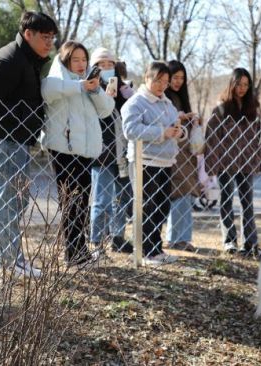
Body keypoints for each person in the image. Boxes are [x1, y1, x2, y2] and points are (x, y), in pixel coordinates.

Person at [0, 12, 58, 278]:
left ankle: (12, 259)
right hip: (5, 142)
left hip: (17, 142)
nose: (50, 44)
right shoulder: (9, 59)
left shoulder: (27, 60)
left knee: (17, 201)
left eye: (53, 38)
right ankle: (9, 262)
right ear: (27, 34)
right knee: (7, 201)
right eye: (45, 37)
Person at [41, 41, 114, 266]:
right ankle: (73, 253)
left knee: (82, 201)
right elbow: (48, 91)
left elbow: (107, 109)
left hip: (85, 151)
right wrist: (80, 86)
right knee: (70, 202)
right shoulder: (55, 80)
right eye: (76, 59)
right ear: (65, 60)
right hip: (63, 149)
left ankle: (79, 250)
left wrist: (94, 90)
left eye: (84, 59)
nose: (81, 64)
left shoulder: (88, 84)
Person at [121, 61, 183, 265]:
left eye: (165, 82)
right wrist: (161, 133)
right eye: (158, 80)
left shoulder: (167, 102)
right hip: (144, 161)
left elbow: (176, 125)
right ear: (147, 77)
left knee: (162, 207)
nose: (162, 85)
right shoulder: (136, 102)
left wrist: (179, 132)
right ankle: (146, 251)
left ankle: (156, 248)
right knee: (146, 207)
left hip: (165, 161)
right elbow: (130, 130)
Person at [205, 68, 261, 257]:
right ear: (231, 84)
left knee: (247, 202)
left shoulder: (255, 109)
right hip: (226, 164)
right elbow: (212, 137)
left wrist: (259, 155)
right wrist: (212, 164)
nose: (242, 88)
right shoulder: (222, 109)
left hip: (247, 163)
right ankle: (229, 241)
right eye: (238, 84)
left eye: (245, 85)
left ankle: (250, 243)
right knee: (226, 200)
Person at [88, 47, 135, 254]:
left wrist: (127, 96)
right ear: (93, 67)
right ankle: (96, 241)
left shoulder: (125, 90)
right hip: (101, 151)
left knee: (123, 197)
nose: (106, 68)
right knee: (101, 198)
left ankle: (118, 237)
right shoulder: (90, 88)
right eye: (101, 64)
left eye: (110, 64)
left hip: (123, 152)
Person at [164, 60, 200, 252]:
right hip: (173, 154)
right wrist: (181, 117)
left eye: (181, 78)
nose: (178, 82)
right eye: (174, 77)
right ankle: (175, 238)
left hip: (187, 155)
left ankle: (183, 238)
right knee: (179, 192)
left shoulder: (181, 99)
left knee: (186, 194)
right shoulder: (165, 99)